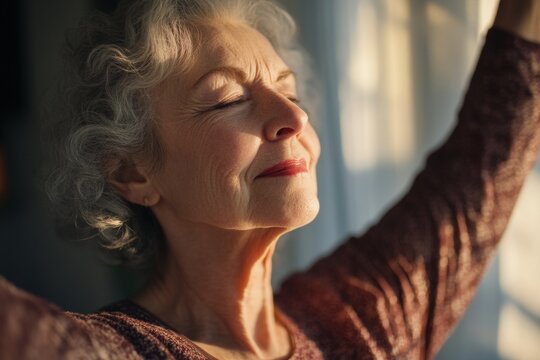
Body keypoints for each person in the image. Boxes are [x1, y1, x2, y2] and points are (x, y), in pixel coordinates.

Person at [1, 0, 539, 359]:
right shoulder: (108, 349)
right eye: (228, 99)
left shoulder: (355, 320)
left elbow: (486, 155)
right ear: (132, 171)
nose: (293, 117)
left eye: (291, 91)